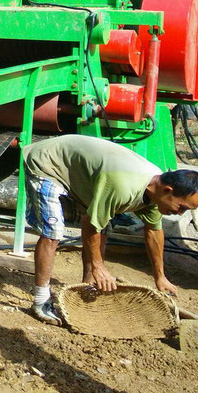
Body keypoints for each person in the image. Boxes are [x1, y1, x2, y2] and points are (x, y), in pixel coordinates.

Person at [23, 134, 198, 324]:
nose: (180, 213)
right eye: (181, 207)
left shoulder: (157, 190)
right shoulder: (123, 186)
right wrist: (98, 266)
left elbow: (154, 232)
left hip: (84, 172)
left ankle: (88, 286)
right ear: (168, 191)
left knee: (105, 227)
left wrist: (160, 277)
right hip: (48, 162)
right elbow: (90, 225)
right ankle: (41, 300)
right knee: (53, 232)